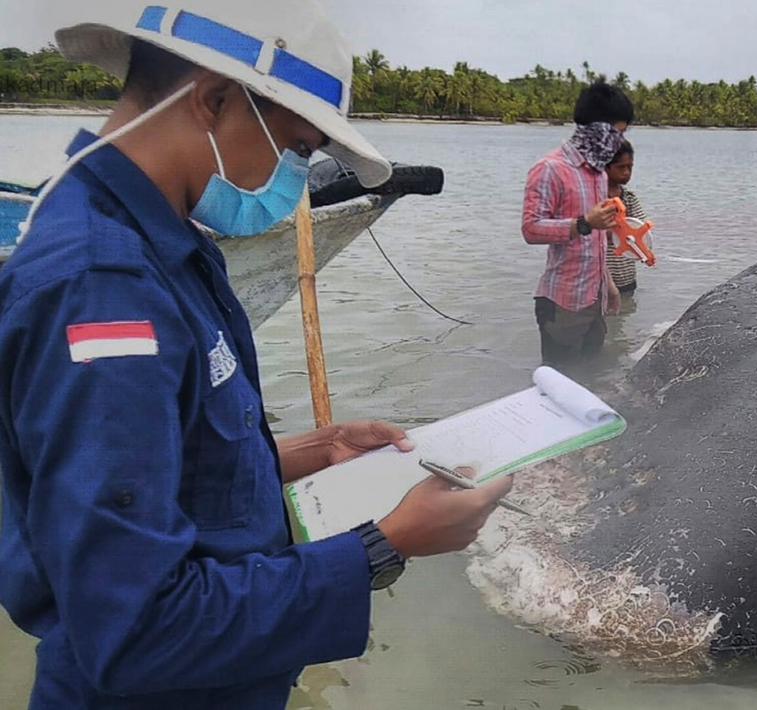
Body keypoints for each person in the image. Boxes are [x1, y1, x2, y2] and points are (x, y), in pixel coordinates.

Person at [0, 2, 511, 707]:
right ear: (212, 101)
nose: (296, 176)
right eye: (298, 148)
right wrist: (385, 543)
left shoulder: (168, 245)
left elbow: (167, 461)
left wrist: (315, 447)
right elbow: (133, 628)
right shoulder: (103, 292)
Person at [522, 81, 634, 368]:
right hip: (562, 305)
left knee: (591, 379)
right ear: (596, 130)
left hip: (593, 299)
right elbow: (531, 229)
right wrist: (584, 222)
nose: (619, 143)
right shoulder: (550, 169)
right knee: (559, 388)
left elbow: (595, 241)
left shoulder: (597, 172)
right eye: (617, 134)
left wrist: (608, 285)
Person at [604, 140, 649, 295]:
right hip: (599, 280)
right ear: (604, 167)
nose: (626, 172)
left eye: (630, 167)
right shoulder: (594, 199)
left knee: (624, 316)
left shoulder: (629, 198)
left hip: (626, 278)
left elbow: (642, 229)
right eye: (621, 167)